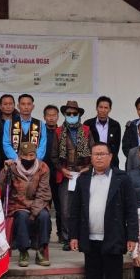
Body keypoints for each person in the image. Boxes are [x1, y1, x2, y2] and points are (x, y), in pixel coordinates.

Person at [69, 142, 138, 279]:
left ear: (110, 156)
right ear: (90, 157)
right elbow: (74, 210)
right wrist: (74, 235)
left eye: (102, 154)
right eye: (95, 154)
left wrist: (132, 236)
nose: (99, 157)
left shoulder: (122, 178)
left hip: (113, 238)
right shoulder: (83, 179)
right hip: (90, 239)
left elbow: (131, 209)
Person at [0, 142, 52, 267]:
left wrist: (33, 211)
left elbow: (43, 193)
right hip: (17, 205)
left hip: (38, 204)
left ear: (35, 155)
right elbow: (1, 189)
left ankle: (41, 250)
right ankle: (23, 251)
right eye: (25, 156)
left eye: (31, 155)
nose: (28, 158)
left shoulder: (43, 167)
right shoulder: (12, 168)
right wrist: (4, 172)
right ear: (19, 155)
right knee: (22, 216)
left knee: (44, 216)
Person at [55, 100, 92, 250]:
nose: (71, 116)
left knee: (84, 207)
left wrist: (88, 168)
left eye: (74, 114)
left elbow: (94, 151)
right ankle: (67, 238)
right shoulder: (58, 132)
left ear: (79, 115)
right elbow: (53, 156)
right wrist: (62, 170)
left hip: (83, 173)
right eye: (68, 113)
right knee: (65, 209)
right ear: (64, 114)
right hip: (66, 174)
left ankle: (81, 237)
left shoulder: (87, 130)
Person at [3, 93, 47, 163]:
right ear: (18, 106)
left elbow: (42, 145)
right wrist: (16, 159)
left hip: (35, 163)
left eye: (29, 104)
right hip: (15, 163)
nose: (26, 107)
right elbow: (6, 144)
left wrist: (35, 160)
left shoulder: (40, 124)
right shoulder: (9, 123)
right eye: (23, 104)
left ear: (33, 106)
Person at [84, 96, 122, 167]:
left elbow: (116, 147)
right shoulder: (88, 124)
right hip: (92, 163)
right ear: (96, 108)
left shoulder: (115, 125)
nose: (103, 110)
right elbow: (85, 146)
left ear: (110, 109)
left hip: (110, 163)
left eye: (106, 108)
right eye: (100, 107)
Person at [42, 104, 61, 243]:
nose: (51, 118)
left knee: (60, 205)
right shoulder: (40, 132)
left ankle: (61, 234)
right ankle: (45, 234)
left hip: (58, 173)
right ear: (44, 117)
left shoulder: (62, 132)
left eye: (54, 115)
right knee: (44, 206)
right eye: (49, 115)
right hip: (42, 174)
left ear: (58, 117)